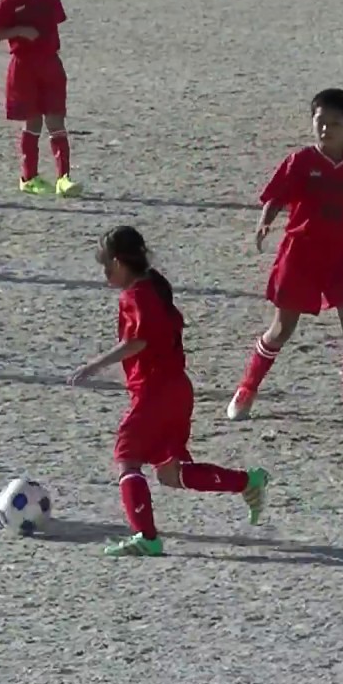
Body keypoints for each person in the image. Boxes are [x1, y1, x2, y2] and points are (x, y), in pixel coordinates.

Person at [69, 226, 269, 557]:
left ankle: (146, 536)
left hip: (156, 390)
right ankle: (248, 482)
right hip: (176, 388)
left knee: (127, 460)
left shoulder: (137, 296)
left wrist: (94, 365)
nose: (104, 275)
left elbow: (138, 341)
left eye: (106, 267)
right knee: (170, 473)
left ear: (119, 263)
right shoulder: (154, 287)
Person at [227, 89, 343, 426]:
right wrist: (265, 223)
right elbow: (277, 196)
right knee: (281, 328)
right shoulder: (301, 161)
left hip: (341, 255)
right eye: (321, 122)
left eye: (335, 123)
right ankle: (247, 388)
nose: (326, 129)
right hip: (300, 255)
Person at [0, 0, 83, 198]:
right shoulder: (8, 2)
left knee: (56, 118)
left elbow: (55, 20)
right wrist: (17, 30)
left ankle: (63, 177)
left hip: (50, 63)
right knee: (33, 120)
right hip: (24, 66)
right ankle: (29, 177)